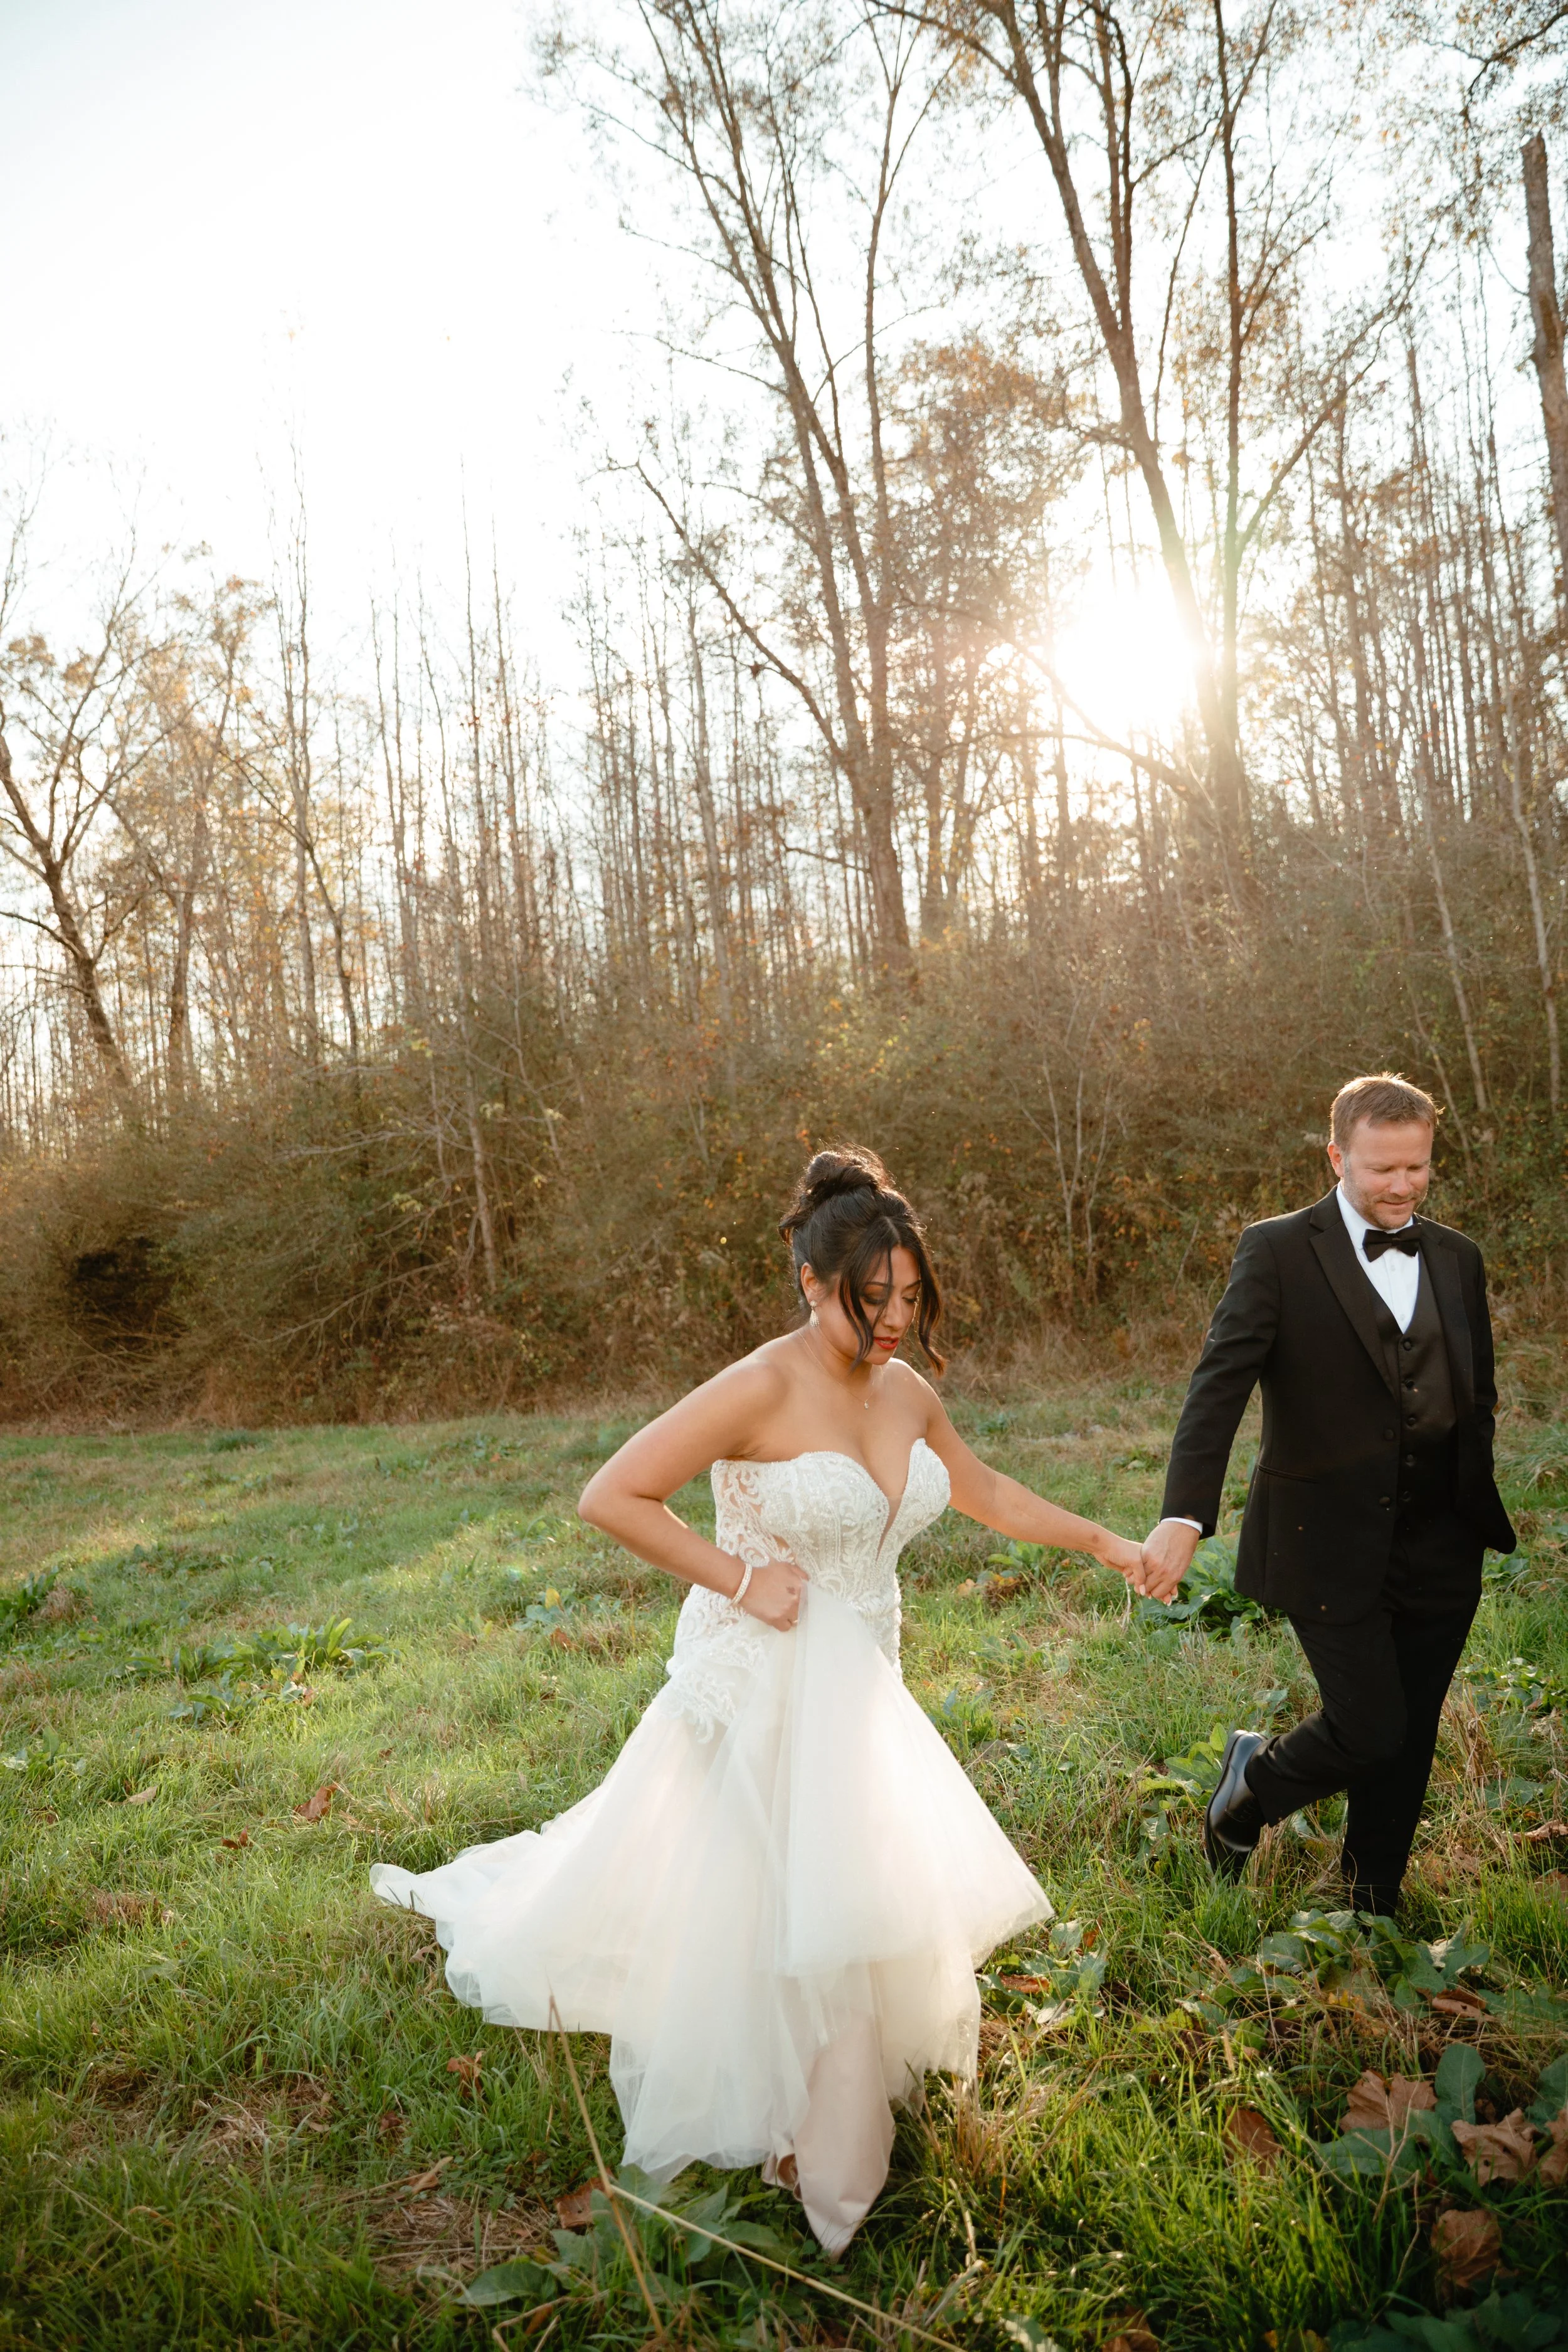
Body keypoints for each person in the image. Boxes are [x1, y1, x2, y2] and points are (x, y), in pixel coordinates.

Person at [371, 1148, 1145, 2252]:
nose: (892, 1318)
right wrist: (739, 1576)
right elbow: (612, 1494)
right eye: (868, 1298)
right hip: (762, 1667)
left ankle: (843, 2073)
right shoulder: (761, 1385)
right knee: (769, 1881)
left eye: (910, 1296)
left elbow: (987, 1493)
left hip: (865, 1670)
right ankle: (802, 2119)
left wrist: (1105, 1541)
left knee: (847, 1866)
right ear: (809, 1279)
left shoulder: (909, 1390)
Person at [1140, 1073, 1515, 1923]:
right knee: (1371, 1722)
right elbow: (1217, 1386)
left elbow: (1476, 1390)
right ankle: (1251, 1786)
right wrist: (1185, 1511)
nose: (1402, 1185)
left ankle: (1370, 1899)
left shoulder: (1457, 1257)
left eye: (1417, 1167)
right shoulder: (1276, 1249)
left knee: (1413, 1732)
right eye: (1383, 1168)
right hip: (1323, 1537)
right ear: (1337, 1154)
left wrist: (1474, 1497)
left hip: (1443, 1541)